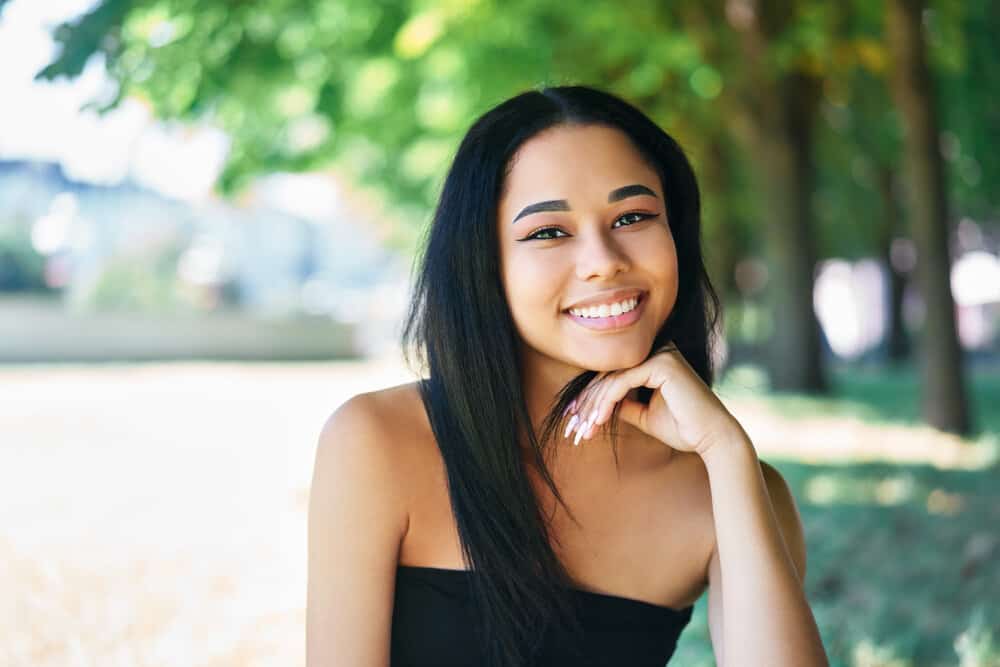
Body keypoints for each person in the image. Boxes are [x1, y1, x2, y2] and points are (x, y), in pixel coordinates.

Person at [306, 85, 829, 667]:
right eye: (548, 231)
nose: (604, 260)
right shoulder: (377, 442)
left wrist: (726, 450)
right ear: (483, 263)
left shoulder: (729, 488)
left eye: (633, 217)